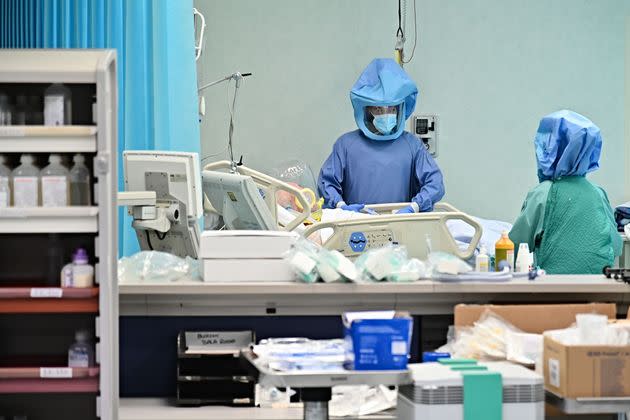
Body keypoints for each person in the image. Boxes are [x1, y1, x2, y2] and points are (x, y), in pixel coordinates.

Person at [318, 58, 444, 214]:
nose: (386, 114)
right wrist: (341, 207)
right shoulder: (345, 145)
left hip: (401, 224)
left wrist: (414, 207)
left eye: (391, 109)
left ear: (400, 109)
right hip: (355, 225)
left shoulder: (412, 145)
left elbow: (435, 184)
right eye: (378, 109)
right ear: (366, 110)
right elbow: (327, 183)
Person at [509, 110, 621, 274]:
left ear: (552, 151)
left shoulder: (543, 193)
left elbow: (516, 246)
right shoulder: (598, 193)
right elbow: (616, 246)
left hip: (555, 290)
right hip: (598, 289)